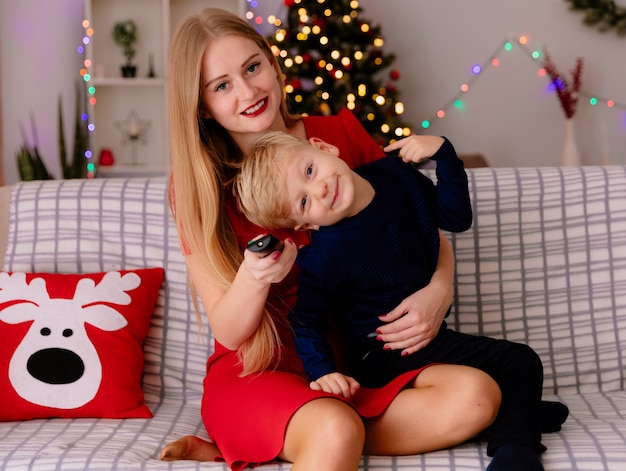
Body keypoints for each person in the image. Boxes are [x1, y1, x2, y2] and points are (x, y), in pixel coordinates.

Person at [161, 7, 505, 471]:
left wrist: (438, 291)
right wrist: (255, 277)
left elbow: (417, 225)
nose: (247, 91)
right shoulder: (196, 186)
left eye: (252, 67)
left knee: (478, 398)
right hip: (262, 371)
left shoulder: (337, 134)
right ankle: (297, 433)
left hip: (351, 367)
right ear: (201, 106)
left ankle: (282, 442)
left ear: (272, 61)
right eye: (221, 86)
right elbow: (227, 329)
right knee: (335, 428)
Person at [235, 130, 569, 471]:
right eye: (304, 202)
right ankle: (517, 450)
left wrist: (445, 155)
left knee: (508, 366)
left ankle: (518, 414)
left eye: (309, 171)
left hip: (428, 336)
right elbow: (306, 319)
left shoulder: (395, 175)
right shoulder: (325, 255)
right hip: (382, 353)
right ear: (305, 223)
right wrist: (323, 371)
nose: (319, 189)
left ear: (322, 147)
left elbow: (455, 219)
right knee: (520, 361)